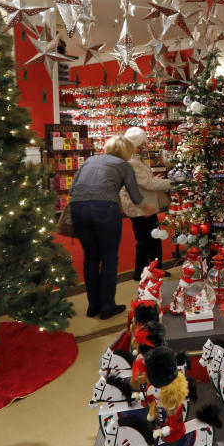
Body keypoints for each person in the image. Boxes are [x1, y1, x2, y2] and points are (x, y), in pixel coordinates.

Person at [70, 135, 155, 319]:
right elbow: (134, 194)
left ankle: (93, 306)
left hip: (77, 208)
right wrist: (147, 207)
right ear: (126, 150)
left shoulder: (90, 160)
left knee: (90, 257)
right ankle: (107, 305)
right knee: (109, 258)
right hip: (105, 209)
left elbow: (72, 188)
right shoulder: (124, 165)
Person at [120, 127, 173, 281]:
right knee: (145, 240)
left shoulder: (133, 159)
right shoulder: (131, 162)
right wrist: (172, 182)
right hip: (140, 207)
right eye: (141, 144)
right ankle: (140, 272)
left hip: (145, 205)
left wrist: (154, 179)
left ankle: (156, 269)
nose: (144, 147)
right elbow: (148, 184)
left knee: (153, 239)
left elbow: (145, 181)